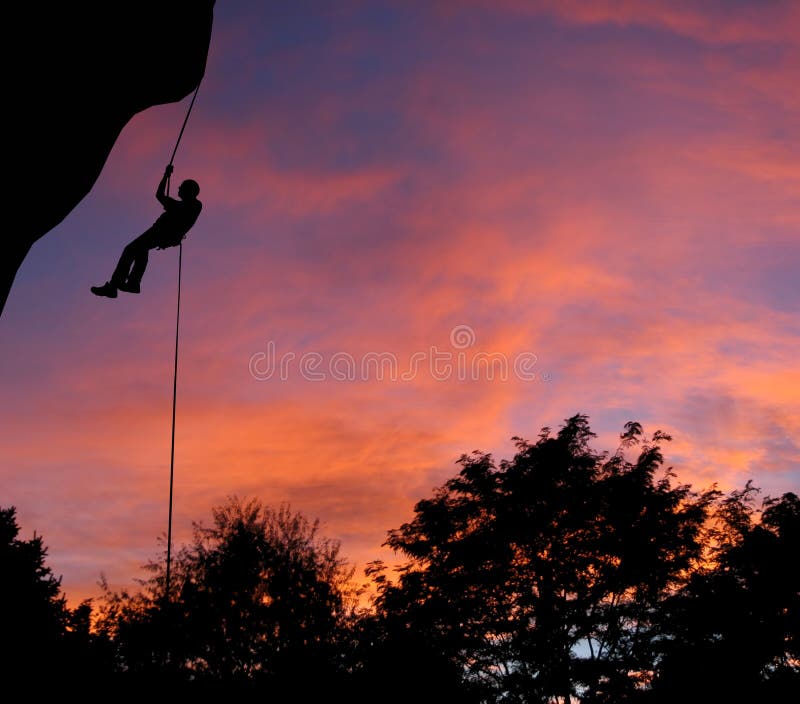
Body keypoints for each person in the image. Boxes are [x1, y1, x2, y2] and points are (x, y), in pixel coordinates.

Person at [91, 165, 202, 298]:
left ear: (189, 190)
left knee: (130, 249)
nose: (178, 188)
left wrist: (172, 233)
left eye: (182, 186)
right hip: (160, 232)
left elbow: (182, 215)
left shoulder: (194, 205)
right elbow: (159, 195)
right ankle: (132, 284)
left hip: (161, 233)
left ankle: (116, 285)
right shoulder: (180, 205)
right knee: (140, 250)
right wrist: (166, 176)